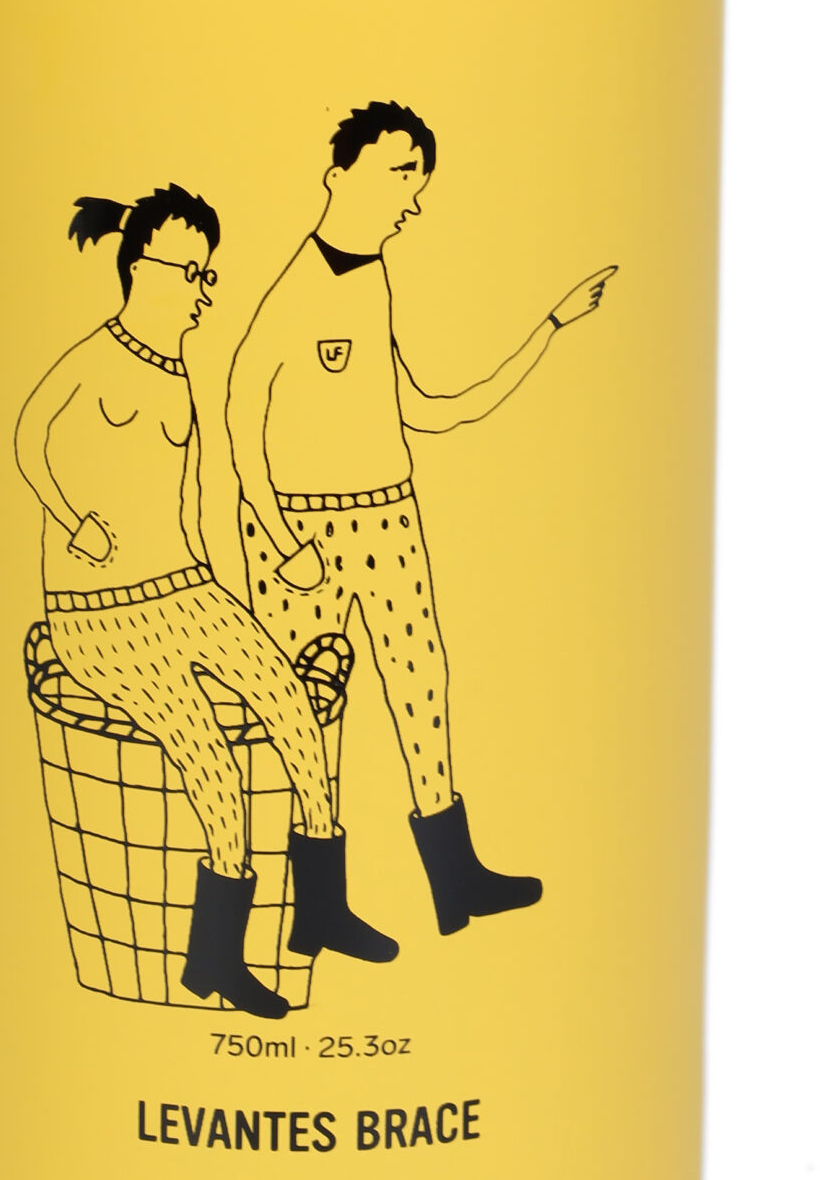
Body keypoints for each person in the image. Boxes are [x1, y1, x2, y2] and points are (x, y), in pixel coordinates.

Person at [226, 103, 615, 935]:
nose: (414, 198)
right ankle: (317, 908)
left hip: (388, 516)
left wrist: (551, 326)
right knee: (309, 710)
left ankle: (455, 881)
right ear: (340, 177)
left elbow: (433, 409)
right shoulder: (294, 292)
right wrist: (284, 541)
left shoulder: (372, 282)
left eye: (420, 180)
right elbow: (239, 419)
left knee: (420, 683)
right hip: (303, 532)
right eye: (401, 174)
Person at [14, 184, 396, 1018]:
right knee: (211, 757)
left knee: (295, 712)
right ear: (140, 269)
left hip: (185, 591)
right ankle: (214, 958)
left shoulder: (183, 374)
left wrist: (234, 588)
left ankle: (320, 911)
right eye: (191, 272)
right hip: (100, 611)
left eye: (206, 274)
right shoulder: (91, 361)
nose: (201, 291)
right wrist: (72, 521)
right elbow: (27, 439)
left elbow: (191, 501)